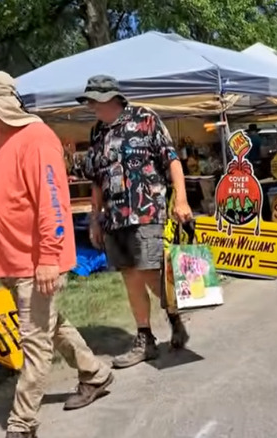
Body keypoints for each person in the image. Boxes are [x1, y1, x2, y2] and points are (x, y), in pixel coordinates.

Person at [0, 70, 114, 438]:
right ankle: (95, 374)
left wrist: (47, 259)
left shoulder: (36, 137)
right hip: (14, 262)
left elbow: (52, 204)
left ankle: (21, 424)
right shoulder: (0, 139)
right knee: (51, 326)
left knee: (35, 344)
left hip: (36, 262)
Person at [80, 75, 192, 369]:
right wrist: (94, 218)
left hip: (147, 211)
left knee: (149, 274)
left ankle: (174, 316)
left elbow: (172, 159)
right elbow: (96, 179)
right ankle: (146, 340)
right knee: (130, 276)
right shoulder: (97, 132)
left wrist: (181, 199)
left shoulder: (146, 118)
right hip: (114, 218)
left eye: (94, 100)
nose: (91, 106)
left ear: (111, 98)